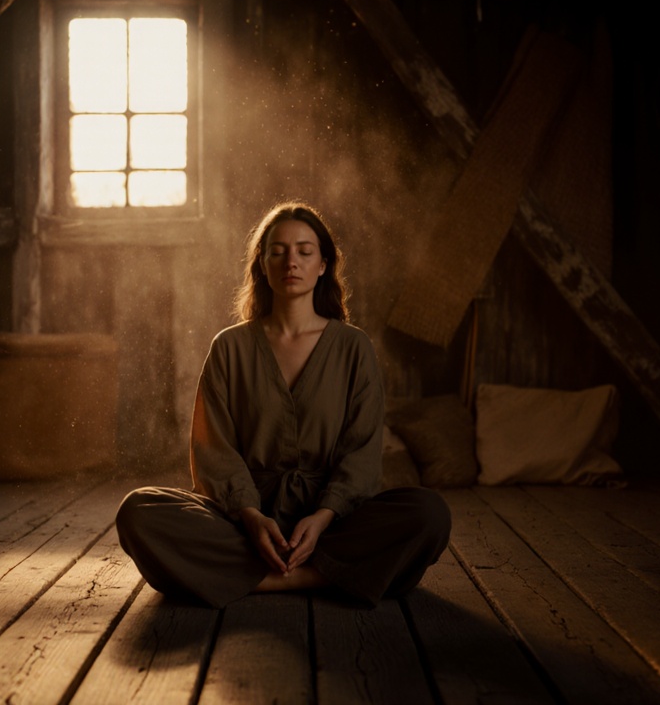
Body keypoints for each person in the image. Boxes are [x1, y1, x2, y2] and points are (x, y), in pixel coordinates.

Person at [115, 202, 451, 608]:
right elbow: (213, 450)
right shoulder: (230, 347)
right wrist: (251, 516)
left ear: (323, 264)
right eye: (278, 251)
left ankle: (255, 580)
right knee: (139, 511)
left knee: (429, 514)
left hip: (331, 523)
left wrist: (325, 514)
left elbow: (361, 452)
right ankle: (327, 578)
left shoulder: (352, 347)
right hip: (246, 521)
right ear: (262, 264)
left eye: (304, 251)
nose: (291, 261)